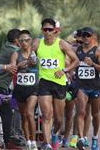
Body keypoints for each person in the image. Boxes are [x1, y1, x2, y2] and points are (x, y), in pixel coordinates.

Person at [33, 18, 79, 150]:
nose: (47, 32)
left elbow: (76, 61)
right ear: (42, 30)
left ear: (55, 30)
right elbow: (29, 55)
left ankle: (54, 133)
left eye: (50, 29)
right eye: (45, 29)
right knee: (47, 115)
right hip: (44, 82)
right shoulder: (37, 43)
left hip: (59, 83)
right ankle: (46, 144)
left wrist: (64, 70)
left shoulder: (62, 44)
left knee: (59, 119)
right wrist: (30, 59)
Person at [0, 29, 22, 149]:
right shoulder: (14, 51)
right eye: (22, 39)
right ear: (16, 40)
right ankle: (7, 141)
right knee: (6, 113)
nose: (24, 42)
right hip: (0, 85)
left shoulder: (6, 46)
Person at [11, 30, 38, 150]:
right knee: (23, 116)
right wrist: (18, 66)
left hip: (33, 88)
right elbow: (12, 68)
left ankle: (34, 141)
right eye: (21, 40)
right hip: (20, 88)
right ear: (18, 42)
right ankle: (27, 140)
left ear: (30, 40)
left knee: (30, 114)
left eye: (26, 40)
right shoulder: (16, 54)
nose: (24, 42)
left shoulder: (36, 52)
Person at [74, 27, 100, 150]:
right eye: (83, 35)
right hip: (81, 86)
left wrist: (93, 64)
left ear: (92, 37)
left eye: (88, 35)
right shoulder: (77, 50)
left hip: (95, 87)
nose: (85, 37)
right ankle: (82, 138)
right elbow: (70, 62)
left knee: (95, 114)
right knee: (81, 112)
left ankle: (95, 137)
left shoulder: (97, 51)